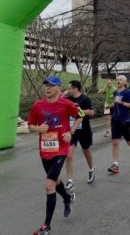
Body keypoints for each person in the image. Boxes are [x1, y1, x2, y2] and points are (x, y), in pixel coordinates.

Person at [28, 76, 81, 235]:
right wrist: (38, 129)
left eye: (51, 85)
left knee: (49, 185)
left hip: (61, 149)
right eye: (46, 85)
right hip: (45, 150)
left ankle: (46, 226)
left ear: (59, 88)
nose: (47, 88)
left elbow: (81, 115)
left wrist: (70, 132)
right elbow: (30, 125)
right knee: (55, 180)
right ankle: (67, 198)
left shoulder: (67, 104)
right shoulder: (38, 105)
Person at [64, 80, 95, 192]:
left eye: (69, 88)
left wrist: (79, 110)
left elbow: (92, 112)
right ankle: (70, 180)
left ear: (76, 88)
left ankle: (91, 169)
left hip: (84, 129)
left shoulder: (85, 99)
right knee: (69, 154)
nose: (68, 90)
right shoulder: (67, 99)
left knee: (86, 150)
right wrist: (63, 95)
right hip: (72, 130)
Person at [108, 75, 130, 174]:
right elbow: (116, 103)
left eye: (120, 80)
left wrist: (122, 103)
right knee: (115, 142)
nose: (118, 81)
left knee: (129, 141)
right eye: (117, 79)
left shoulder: (127, 92)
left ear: (124, 82)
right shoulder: (115, 92)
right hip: (115, 120)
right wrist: (111, 105)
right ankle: (115, 165)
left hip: (125, 120)